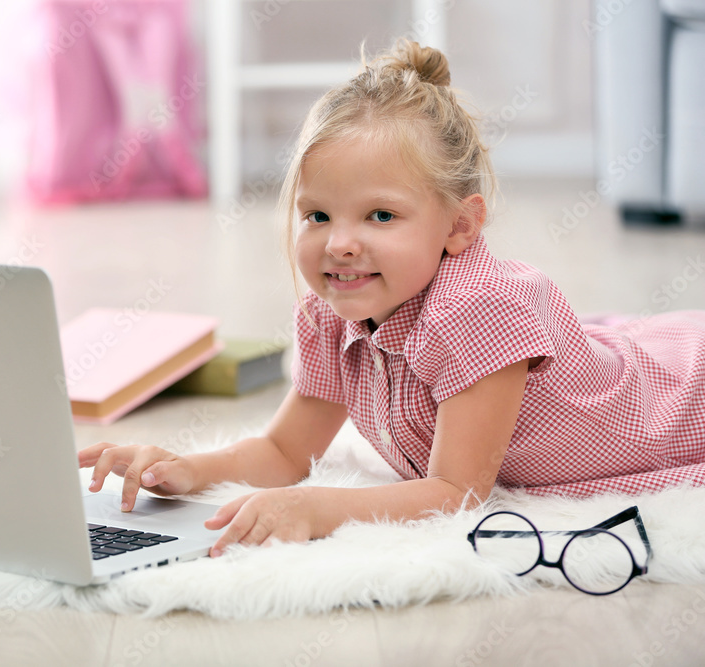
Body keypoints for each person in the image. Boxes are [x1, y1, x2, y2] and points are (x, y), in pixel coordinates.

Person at [78, 38, 705, 558]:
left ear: (460, 226)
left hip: (683, 398)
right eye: (317, 215)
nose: (339, 244)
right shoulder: (329, 314)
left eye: (380, 215)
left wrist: (322, 507)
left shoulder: (481, 309)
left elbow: (457, 492)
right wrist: (186, 469)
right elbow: (285, 450)